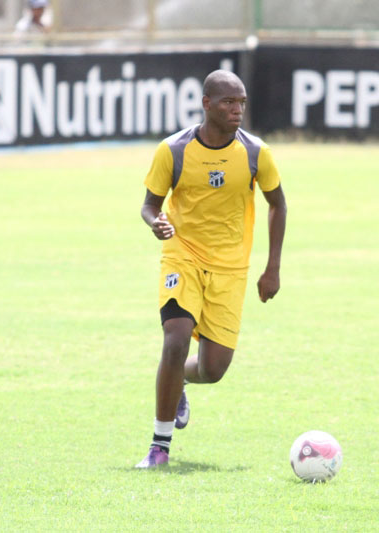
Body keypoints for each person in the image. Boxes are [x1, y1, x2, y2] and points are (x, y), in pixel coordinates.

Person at [135, 70, 287, 468]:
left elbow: (278, 204)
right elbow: (149, 205)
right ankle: (159, 447)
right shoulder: (174, 150)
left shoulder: (256, 153)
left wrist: (272, 268)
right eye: (228, 102)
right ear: (206, 103)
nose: (237, 110)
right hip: (182, 255)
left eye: (241, 103)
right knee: (176, 338)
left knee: (213, 369)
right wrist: (157, 223)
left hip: (231, 268)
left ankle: (180, 380)